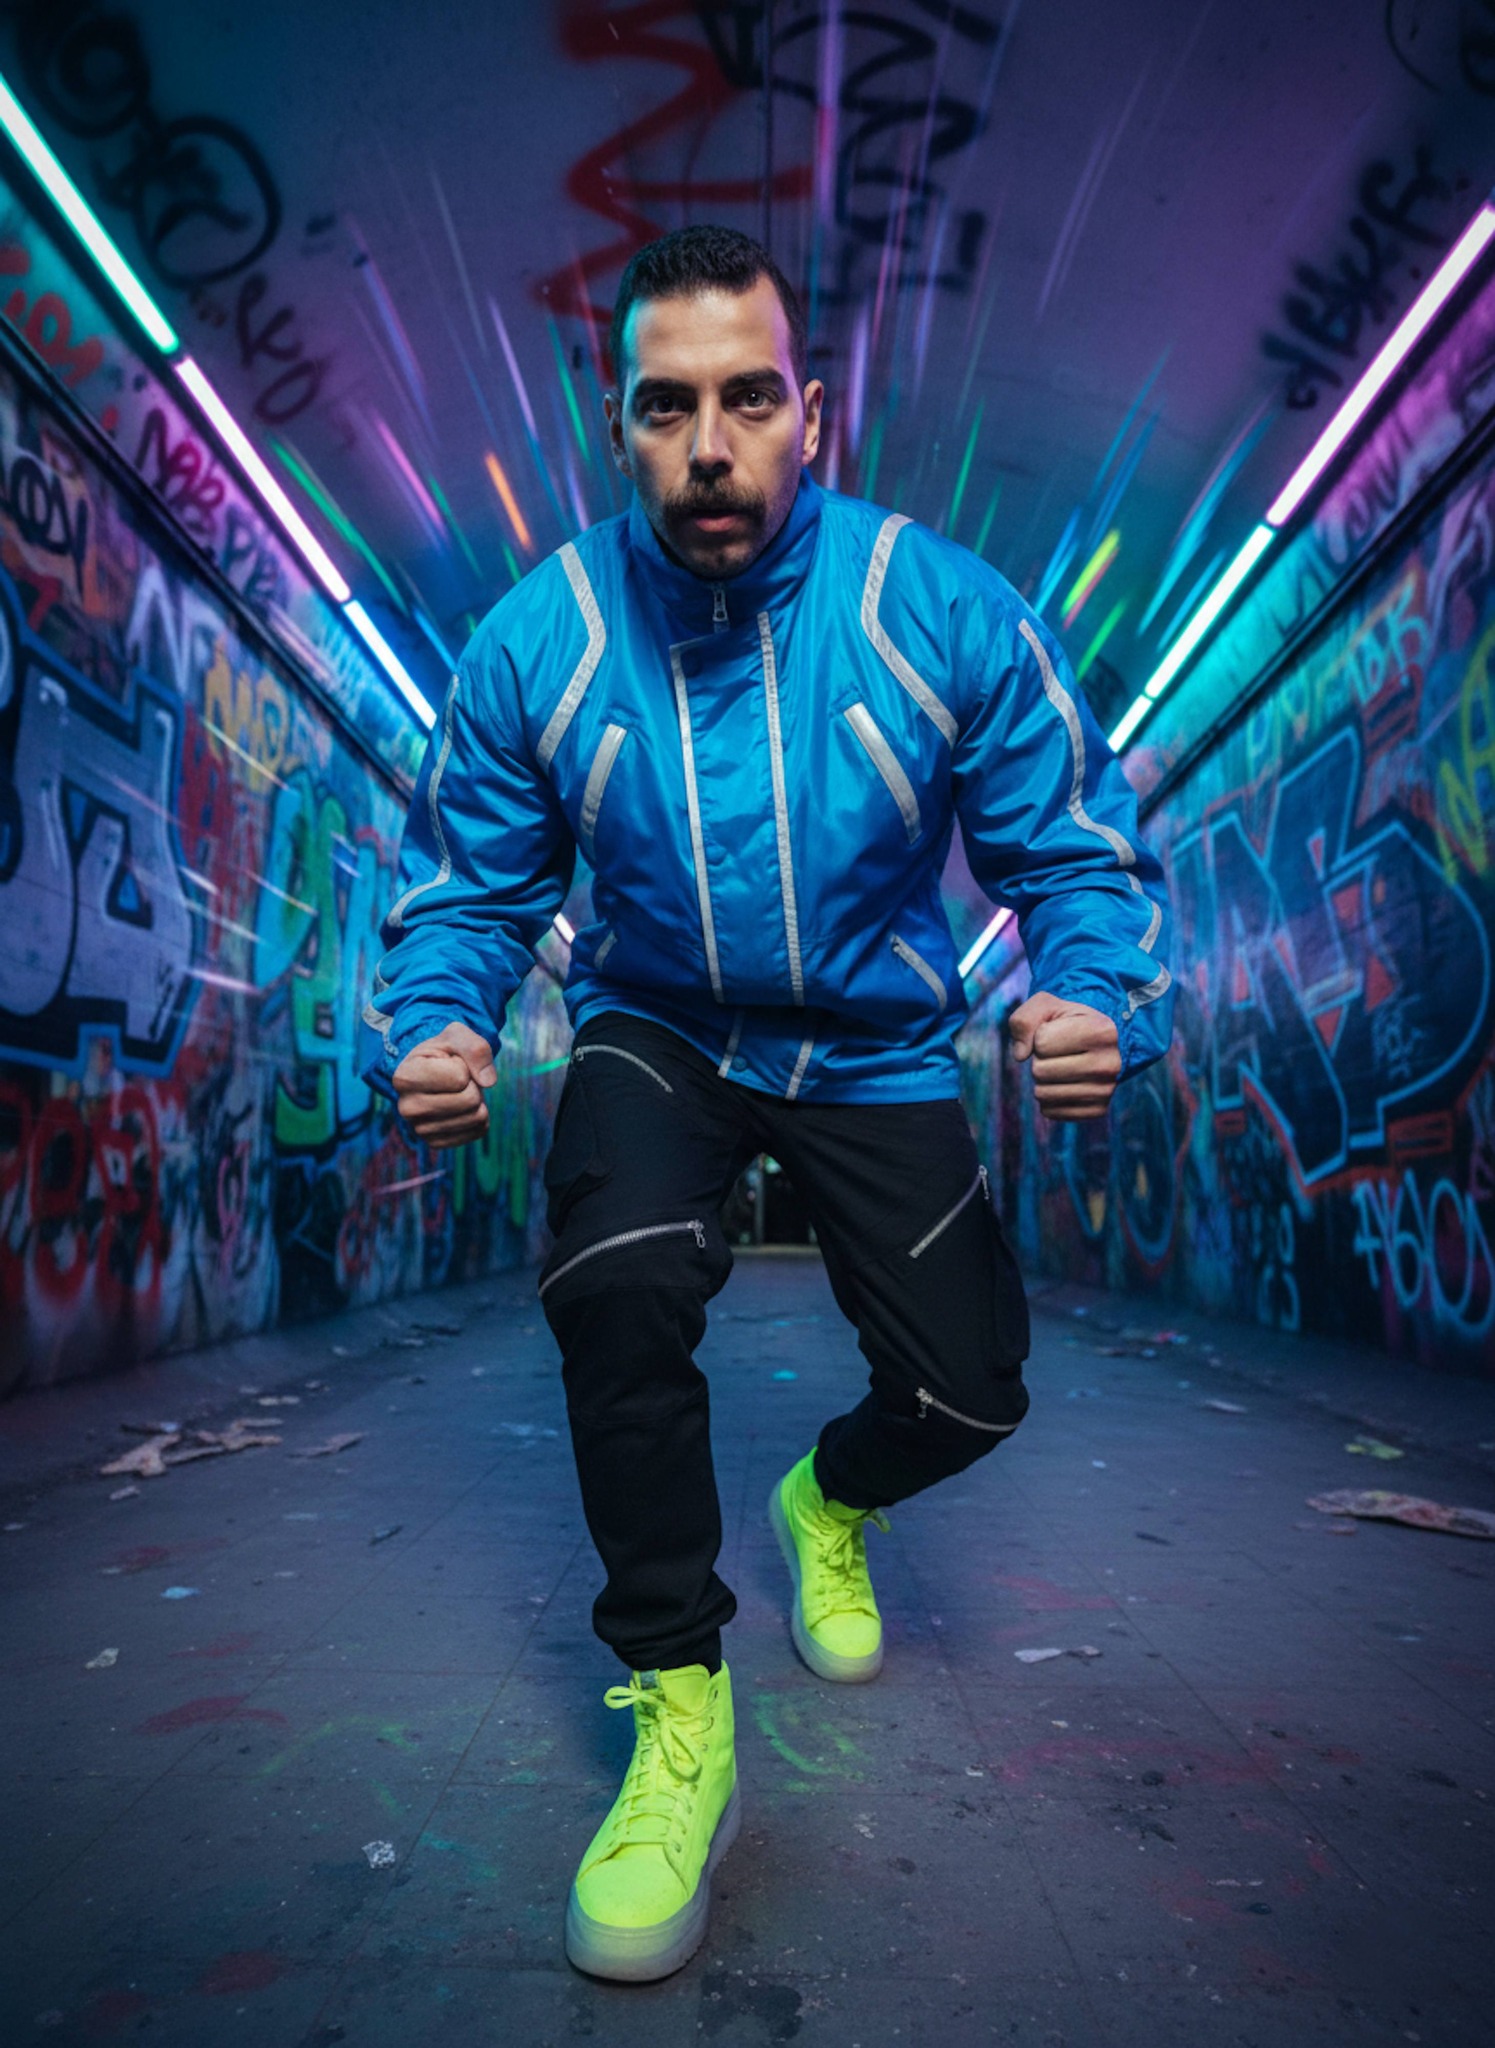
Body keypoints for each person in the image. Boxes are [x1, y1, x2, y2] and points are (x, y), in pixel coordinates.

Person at [360, 224, 1172, 1983]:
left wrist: (1093, 990)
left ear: (812, 414)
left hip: (875, 1047)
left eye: (746, 402)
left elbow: (1076, 849)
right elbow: (471, 891)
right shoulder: (539, 643)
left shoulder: (935, 607)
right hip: (663, 1027)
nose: (709, 447)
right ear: (622, 428)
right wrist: (437, 1020)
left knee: (974, 1386)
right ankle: (678, 1699)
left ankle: (827, 1503)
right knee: (618, 1275)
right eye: (669, 408)